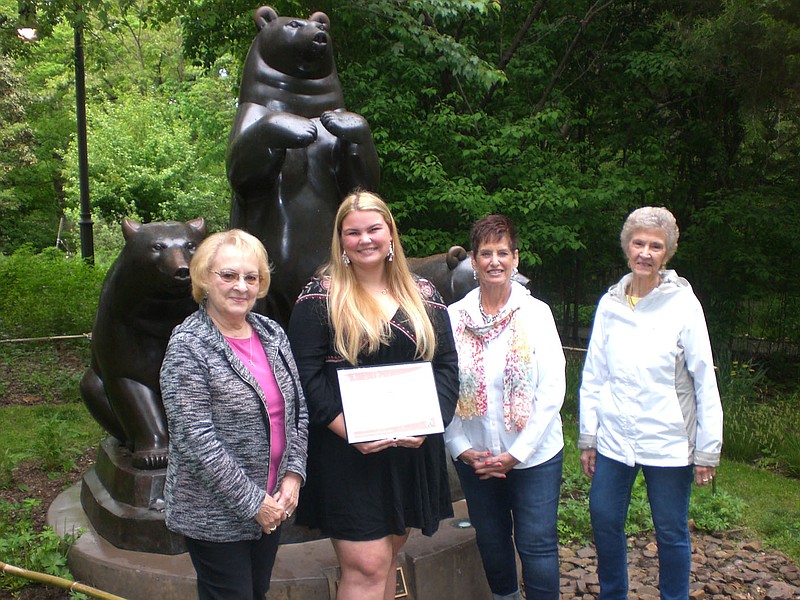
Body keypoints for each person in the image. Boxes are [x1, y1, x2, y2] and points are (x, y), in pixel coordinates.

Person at [287, 190, 459, 600]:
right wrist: (350, 431)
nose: (364, 239)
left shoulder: (425, 294)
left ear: (390, 234)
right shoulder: (319, 298)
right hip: (347, 453)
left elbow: (448, 366)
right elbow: (305, 377)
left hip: (410, 450)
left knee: (388, 559)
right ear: (341, 241)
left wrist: (431, 423)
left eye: (373, 229)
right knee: (366, 565)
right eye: (353, 232)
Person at [578, 206, 723, 600]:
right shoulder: (610, 304)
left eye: (655, 246)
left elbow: (704, 378)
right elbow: (594, 374)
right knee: (605, 518)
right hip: (614, 439)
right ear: (627, 247)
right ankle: (614, 593)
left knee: (671, 529)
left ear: (667, 253)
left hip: (668, 441)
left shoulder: (683, 305)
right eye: (638, 243)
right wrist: (588, 437)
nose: (645, 252)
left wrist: (708, 449)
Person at [160, 229, 309, 600]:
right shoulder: (188, 347)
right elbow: (196, 440)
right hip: (216, 515)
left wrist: (293, 476)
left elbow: (298, 413)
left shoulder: (272, 333)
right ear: (204, 280)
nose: (240, 286)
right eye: (228, 275)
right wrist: (252, 502)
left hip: (273, 506)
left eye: (251, 277)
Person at [444, 215, 566, 600]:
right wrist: (458, 446)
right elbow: (443, 388)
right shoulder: (454, 318)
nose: (494, 261)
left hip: (535, 456)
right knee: (492, 538)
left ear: (515, 258)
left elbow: (552, 389)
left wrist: (517, 453)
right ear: (474, 261)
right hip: (476, 455)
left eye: (502, 252)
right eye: (485, 253)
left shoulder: (536, 314)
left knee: (536, 543)